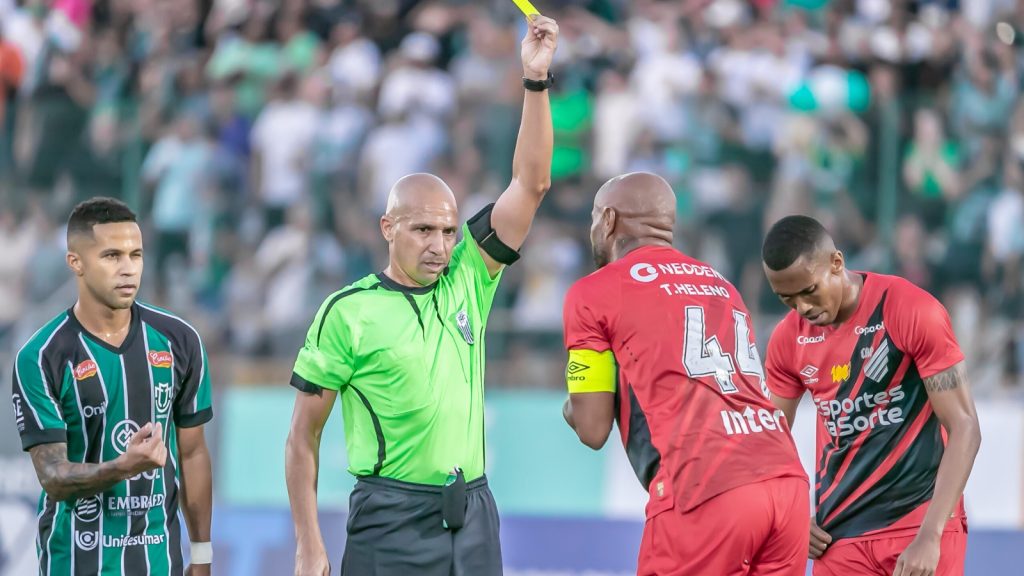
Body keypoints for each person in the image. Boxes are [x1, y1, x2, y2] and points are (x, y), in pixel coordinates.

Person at [284, 15, 558, 576]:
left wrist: (535, 81)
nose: (439, 245)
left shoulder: (468, 276)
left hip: (473, 512)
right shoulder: (348, 312)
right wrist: (309, 544)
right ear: (388, 228)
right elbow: (301, 438)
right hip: (390, 517)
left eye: (449, 231)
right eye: (423, 230)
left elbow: (530, 184)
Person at [562, 172, 809, 576]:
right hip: (786, 483)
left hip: (705, 486)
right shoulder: (721, 284)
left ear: (608, 220)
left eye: (593, 218)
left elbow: (592, 429)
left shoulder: (595, 290)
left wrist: (573, 407)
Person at [761, 215, 981, 576]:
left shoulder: (911, 309)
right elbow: (768, 440)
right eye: (787, 298)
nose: (802, 307)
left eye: (809, 290)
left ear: (836, 263)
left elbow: (965, 426)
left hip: (918, 526)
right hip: (839, 536)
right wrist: (793, 516)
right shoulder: (788, 339)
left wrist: (931, 533)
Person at [11, 197, 214, 575]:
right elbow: (53, 476)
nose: (128, 268)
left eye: (136, 255)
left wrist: (201, 556)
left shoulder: (180, 341)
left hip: (158, 563)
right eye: (111, 256)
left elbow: (193, 454)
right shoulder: (41, 356)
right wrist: (123, 467)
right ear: (76, 262)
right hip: (74, 562)